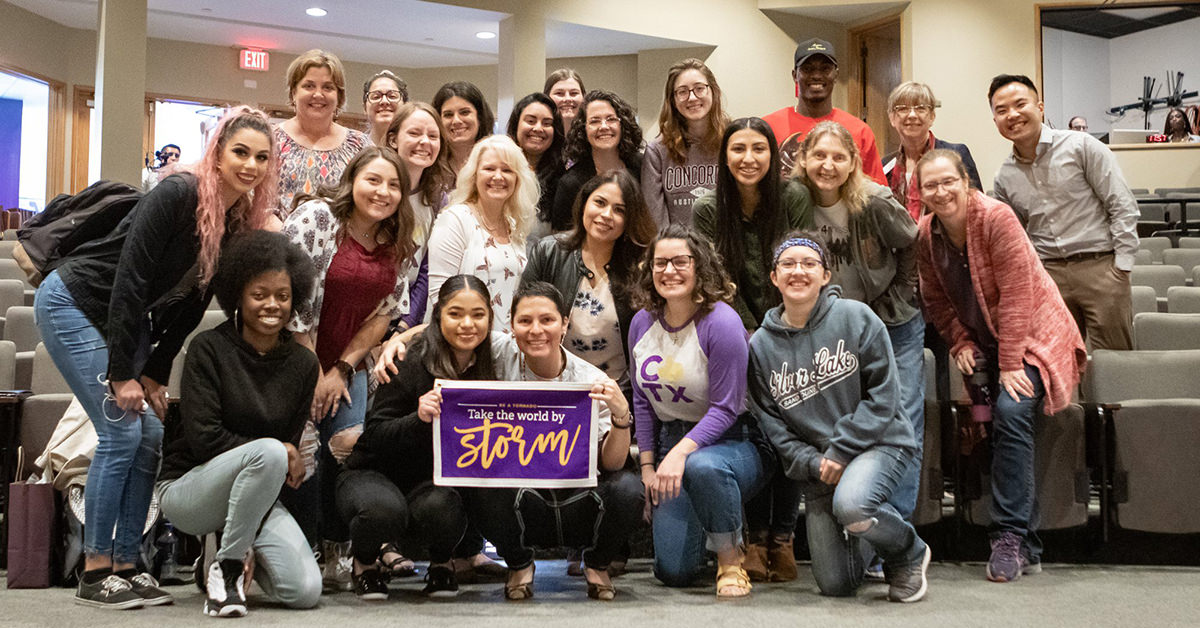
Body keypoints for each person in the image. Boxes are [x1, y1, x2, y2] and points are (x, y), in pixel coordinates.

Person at [33, 105, 277, 609]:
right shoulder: (178, 192)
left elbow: (191, 307)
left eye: (261, 156)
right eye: (240, 152)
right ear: (217, 152)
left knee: (150, 434)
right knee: (121, 428)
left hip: (124, 321)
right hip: (73, 301)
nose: (250, 164)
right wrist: (124, 374)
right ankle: (95, 569)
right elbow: (130, 279)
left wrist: (154, 373)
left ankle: (129, 563)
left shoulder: (232, 219)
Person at [914, 149, 1086, 582]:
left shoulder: (996, 217)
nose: (940, 191)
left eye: (948, 181)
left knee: (1010, 411)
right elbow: (935, 300)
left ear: (966, 181)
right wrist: (959, 341)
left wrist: (1010, 363)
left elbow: (1017, 295)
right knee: (984, 423)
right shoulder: (925, 235)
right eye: (930, 185)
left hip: (1033, 336)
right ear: (920, 193)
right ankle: (1027, 543)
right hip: (987, 344)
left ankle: (1007, 534)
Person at [748, 232, 930, 603]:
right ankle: (867, 524)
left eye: (809, 264)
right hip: (820, 470)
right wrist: (814, 462)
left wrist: (842, 450)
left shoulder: (856, 317)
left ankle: (907, 551)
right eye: (788, 264)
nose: (798, 271)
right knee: (836, 584)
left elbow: (885, 396)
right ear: (774, 277)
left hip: (878, 445)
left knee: (852, 505)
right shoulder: (760, 347)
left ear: (826, 275)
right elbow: (773, 425)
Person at [157, 231, 322, 617]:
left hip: (255, 491)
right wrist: (279, 451)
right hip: (190, 488)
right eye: (259, 294)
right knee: (269, 450)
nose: (272, 305)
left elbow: (286, 454)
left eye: (283, 296)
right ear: (238, 296)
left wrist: (280, 453)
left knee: (305, 591)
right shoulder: (207, 349)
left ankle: (224, 549)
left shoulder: (303, 365)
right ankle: (228, 569)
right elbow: (204, 440)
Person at [282, 145, 417, 589]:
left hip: (347, 364)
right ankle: (299, 551)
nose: (383, 192)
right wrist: (313, 374)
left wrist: (340, 368)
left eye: (394, 185)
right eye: (373, 180)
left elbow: (386, 311)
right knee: (301, 457)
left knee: (345, 453)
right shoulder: (318, 219)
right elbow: (291, 297)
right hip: (290, 359)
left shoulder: (396, 240)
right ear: (352, 180)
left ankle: (341, 552)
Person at [455, 282, 643, 601]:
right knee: (477, 479)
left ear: (565, 324)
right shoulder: (499, 352)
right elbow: (441, 331)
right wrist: (397, 342)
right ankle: (519, 564)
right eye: (525, 321)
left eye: (548, 320)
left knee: (627, 488)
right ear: (510, 326)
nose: (536, 330)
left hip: (577, 500)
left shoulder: (592, 381)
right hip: (520, 499)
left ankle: (597, 564)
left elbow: (611, 464)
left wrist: (621, 416)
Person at [787, 121, 925, 524]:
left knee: (899, 419)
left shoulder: (874, 200)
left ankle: (892, 531)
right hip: (828, 331)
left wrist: (894, 298)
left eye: (838, 157)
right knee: (841, 424)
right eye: (819, 155)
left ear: (853, 164)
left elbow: (912, 242)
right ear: (804, 160)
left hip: (891, 324)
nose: (827, 165)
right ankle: (847, 519)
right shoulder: (794, 201)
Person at [630, 225, 773, 597]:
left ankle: (730, 559)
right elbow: (643, 402)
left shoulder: (721, 322)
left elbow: (726, 408)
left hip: (735, 443)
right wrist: (648, 466)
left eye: (681, 261)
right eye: (660, 263)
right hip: (671, 443)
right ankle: (717, 518)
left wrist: (678, 454)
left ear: (700, 267)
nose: (669, 271)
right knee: (673, 572)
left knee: (703, 467)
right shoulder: (641, 323)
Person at [692, 116, 805, 582]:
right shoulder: (707, 207)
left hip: (791, 327)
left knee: (792, 429)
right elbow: (715, 278)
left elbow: (802, 259)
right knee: (753, 429)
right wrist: (746, 333)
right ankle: (755, 537)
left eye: (759, 149)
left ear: (772, 155)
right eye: (738, 149)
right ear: (725, 157)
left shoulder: (792, 197)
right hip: (737, 333)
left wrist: (777, 328)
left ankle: (783, 538)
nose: (748, 158)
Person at [338, 275, 499, 599]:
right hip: (375, 471)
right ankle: (365, 562)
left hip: (432, 480)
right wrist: (418, 418)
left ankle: (442, 563)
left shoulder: (492, 361)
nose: (467, 324)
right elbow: (376, 435)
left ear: (490, 318)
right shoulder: (407, 360)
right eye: (455, 314)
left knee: (446, 506)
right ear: (439, 316)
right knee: (382, 511)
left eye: (477, 315)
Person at [989, 74, 1139, 351]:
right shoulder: (1003, 177)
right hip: (1048, 276)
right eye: (1001, 110)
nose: (1012, 114)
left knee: (1116, 360)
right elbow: (1013, 238)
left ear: (1040, 107)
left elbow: (1122, 206)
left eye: (1020, 104)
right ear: (995, 120)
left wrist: (1122, 267)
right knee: (1059, 363)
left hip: (1101, 269)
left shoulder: (1081, 147)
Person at [523, 169, 655, 394]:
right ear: (584, 203)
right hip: (554, 387)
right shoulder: (548, 252)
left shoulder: (641, 266)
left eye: (619, 210)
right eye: (600, 202)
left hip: (618, 392)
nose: (606, 215)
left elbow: (648, 346)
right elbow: (523, 317)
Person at [425, 135, 538, 331]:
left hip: (504, 348)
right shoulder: (455, 219)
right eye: (489, 169)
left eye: (507, 170)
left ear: (518, 178)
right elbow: (439, 297)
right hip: (460, 342)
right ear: (474, 175)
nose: (498, 177)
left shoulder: (514, 225)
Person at [762, 38, 886, 184]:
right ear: (795, 75)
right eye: (807, 69)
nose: (816, 75)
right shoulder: (767, 127)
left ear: (835, 75)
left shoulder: (860, 131)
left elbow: (877, 193)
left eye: (825, 68)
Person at [383, 102, 456, 346]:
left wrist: (404, 327)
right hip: (366, 318)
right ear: (393, 140)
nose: (425, 142)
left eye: (433, 136)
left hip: (406, 322)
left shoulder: (437, 199)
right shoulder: (378, 193)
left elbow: (427, 269)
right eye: (414, 133)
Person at [275, 49, 370, 219]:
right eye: (308, 86)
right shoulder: (271, 140)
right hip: (276, 242)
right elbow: (256, 205)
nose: (318, 94)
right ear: (293, 92)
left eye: (328, 87)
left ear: (339, 96)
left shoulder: (360, 145)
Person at [643, 58, 728, 227]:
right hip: (678, 250)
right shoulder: (657, 151)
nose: (692, 97)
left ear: (713, 91)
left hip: (727, 249)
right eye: (682, 91)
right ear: (672, 100)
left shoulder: (732, 141)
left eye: (699, 89)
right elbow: (656, 221)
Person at [881, 81, 982, 221]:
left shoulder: (956, 154)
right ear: (892, 118)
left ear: (932, 117)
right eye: (903, 108)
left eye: (921, 108)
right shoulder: (885, 166)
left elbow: (977, 208)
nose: (912, 115)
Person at [551, 90, 643, 233]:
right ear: (584, 129)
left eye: (611, 119)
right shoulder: (570, 183)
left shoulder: (642, 167)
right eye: (594, 121)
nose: (604, 126)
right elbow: (563, 239)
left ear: (622, 124)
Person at [507, 92, 566, 238]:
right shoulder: (500, 171)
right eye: (531, 121)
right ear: (516, 125)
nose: (538, 128)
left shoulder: (563, 179)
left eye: (547, 123)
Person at [433, 81, 496, 175]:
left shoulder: (497, 161)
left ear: (480, 117)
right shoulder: (430, 165)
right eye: (448, 115)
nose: (456, 121)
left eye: (464, 112)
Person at [363, 70, 409, 147]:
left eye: (392, 96)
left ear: (405, 106)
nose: (384, 101)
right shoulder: (352, 150)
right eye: (376, 97)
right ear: (364, 108)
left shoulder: (414, 148)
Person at [544, 68, 586, 136]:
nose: (567, 99)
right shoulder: (540, 135)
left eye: (574, 93)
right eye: (559, 93)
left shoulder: (592, 136)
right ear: (547, 98)